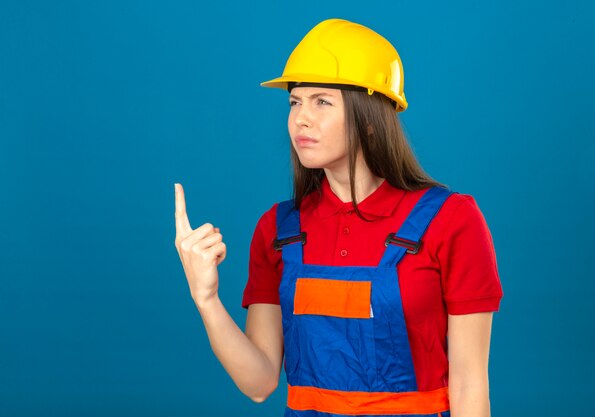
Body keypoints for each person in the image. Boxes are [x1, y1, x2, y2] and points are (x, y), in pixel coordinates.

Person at [174, 18, 503, 417]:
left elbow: (470, 384)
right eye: (295, 101)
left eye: (322, 101)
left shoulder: (450, 220)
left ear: (369, 117)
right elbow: (259, 383)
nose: (300, 118)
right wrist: (206, 298)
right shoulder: (279, 230)